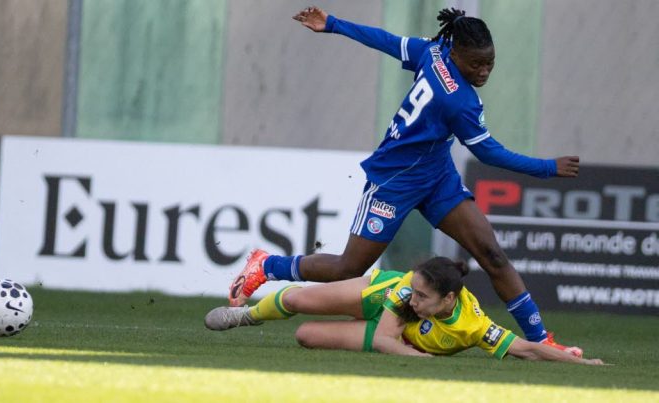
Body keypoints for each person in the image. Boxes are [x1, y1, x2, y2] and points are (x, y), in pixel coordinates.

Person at [228, 6, 583, 355]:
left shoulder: (433, 51)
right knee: (348, 268)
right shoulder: (459, 101)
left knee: (491, 253)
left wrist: (334, 24)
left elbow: (386, 40)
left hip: (437, 176)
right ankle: (267, 265)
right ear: (455, 53)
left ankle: (540, 340)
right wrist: (547, 168)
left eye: (490, 62)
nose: (485, 70)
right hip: (394, 181)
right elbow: (489, 153)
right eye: (476, 64)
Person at [215, 257, 603, 365]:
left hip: (396, 334)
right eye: (413, 290)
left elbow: (525, 348)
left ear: (448, 300)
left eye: (422, 297)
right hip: (377, 298)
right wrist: (419, 358)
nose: (412, 300)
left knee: (306, 337)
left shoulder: (472, 327)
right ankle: (246, 315)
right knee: (298, 301)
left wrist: (580, 364)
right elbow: (387, 338)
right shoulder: (403, 292)